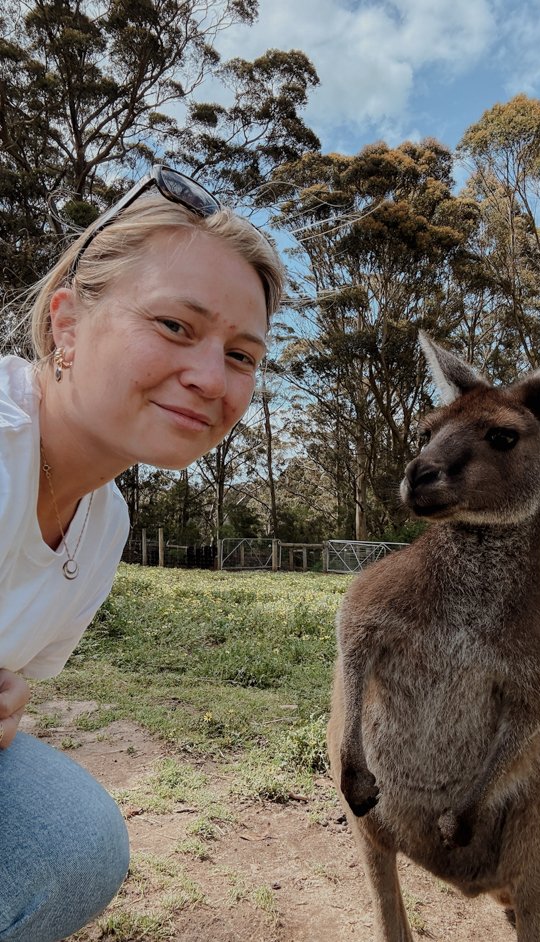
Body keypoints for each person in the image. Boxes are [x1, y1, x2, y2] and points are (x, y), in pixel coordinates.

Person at [0, 165, 284, 941]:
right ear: (66, 324)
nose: (208, 377)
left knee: (74, 839)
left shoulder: (106, 523)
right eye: (175, 327)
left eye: (242, 355)